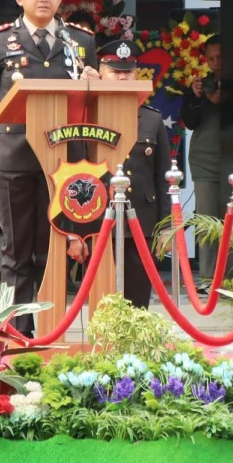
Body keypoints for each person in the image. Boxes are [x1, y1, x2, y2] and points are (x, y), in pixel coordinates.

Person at [0, 0, 99, 334]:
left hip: (64, 161)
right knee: (16, 251)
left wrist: (93, 81)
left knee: (54, 248)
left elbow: (90, 106)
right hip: (13, 157)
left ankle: (48, 327)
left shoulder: (80, 41)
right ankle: (15, 329)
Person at [65, 38, 172, 309]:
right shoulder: (86, 116)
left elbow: (162, 177)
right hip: (98, 221)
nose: (122, 78)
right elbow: (74, 174)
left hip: (143, 221)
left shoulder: (152, 119)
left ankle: (135, 351)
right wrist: (74, 231)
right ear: (100, 72)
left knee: (138, 299)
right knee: (101, 301)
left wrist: (167, 226)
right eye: (115, 72)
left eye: (128, 72)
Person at [180, 34, 226, 286]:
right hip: (205, 160)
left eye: (220, 57)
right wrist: (196, 97)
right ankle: (209, 278)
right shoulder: (200, 85)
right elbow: (189, 121)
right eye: (211, 59)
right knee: (208, 220)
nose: (216, 63)